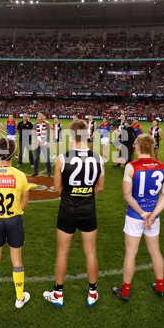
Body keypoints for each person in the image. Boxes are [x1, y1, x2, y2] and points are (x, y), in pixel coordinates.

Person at [43, 120, 105, 307]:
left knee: (62, 252)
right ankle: (92, 293)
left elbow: (56, 189)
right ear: (87, 135)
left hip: (67, 210)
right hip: (88, 209)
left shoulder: (63, 158)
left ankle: (58, 294)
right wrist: (85, 193)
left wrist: (72, 193)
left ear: (72, 136)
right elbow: (100, 187)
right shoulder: (98, 158)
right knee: (91, 252)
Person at [113, 134, 164, 300]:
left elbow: (127, 195)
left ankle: (125, 292)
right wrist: (153, 214)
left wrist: (142, 213)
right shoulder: (162, 166)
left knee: (131, 254)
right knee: (155, 252)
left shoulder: (132, 166)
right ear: (152, 148)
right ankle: (160, 287)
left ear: (137, 147)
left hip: (135, 215)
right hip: (153, 217)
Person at [0, 138, 30, 309]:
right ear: (15, 154)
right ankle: (19, 298)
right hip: (15, 220)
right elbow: (25, 201)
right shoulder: (21, 176)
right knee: (16, 259)